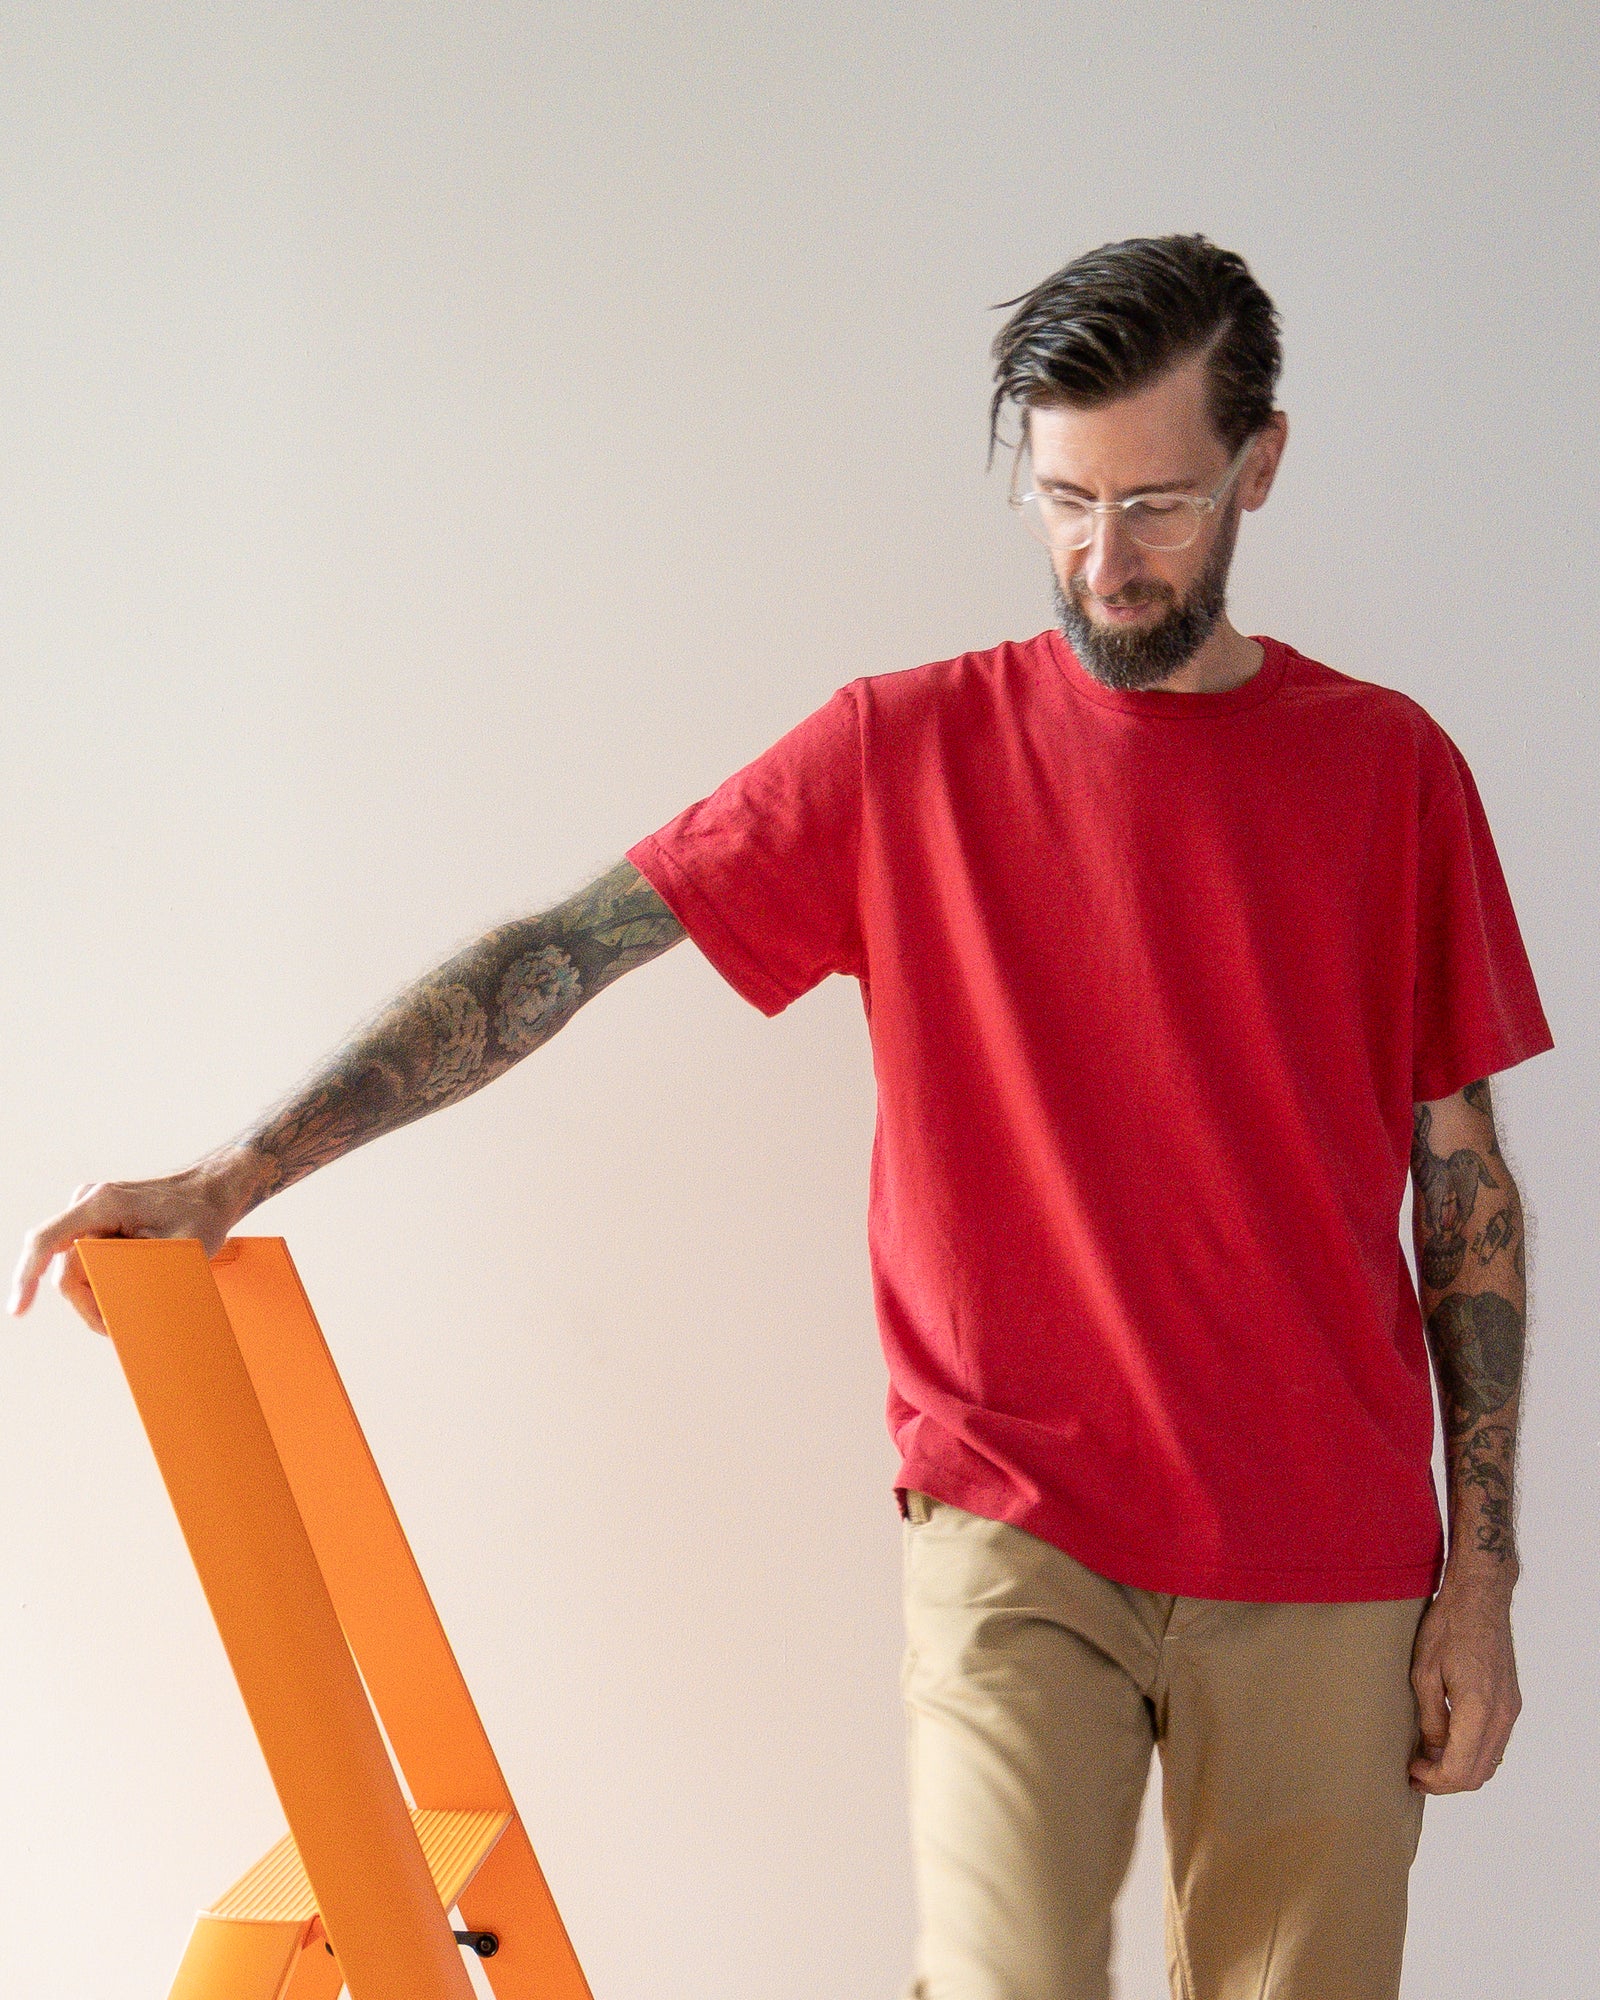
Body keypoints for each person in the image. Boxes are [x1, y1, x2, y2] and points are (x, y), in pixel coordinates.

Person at [10, 234, 1553, 2000]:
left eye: (1159, 506)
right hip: (1016, 1521)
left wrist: (1483, 1578)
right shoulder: (902, 753)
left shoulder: (1390, 770)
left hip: (1325, 1541)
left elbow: (1465, 1191)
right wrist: (237, 1172)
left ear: (1260, 465)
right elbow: (556, 959)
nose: (1104, 562)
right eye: (1064, 502)